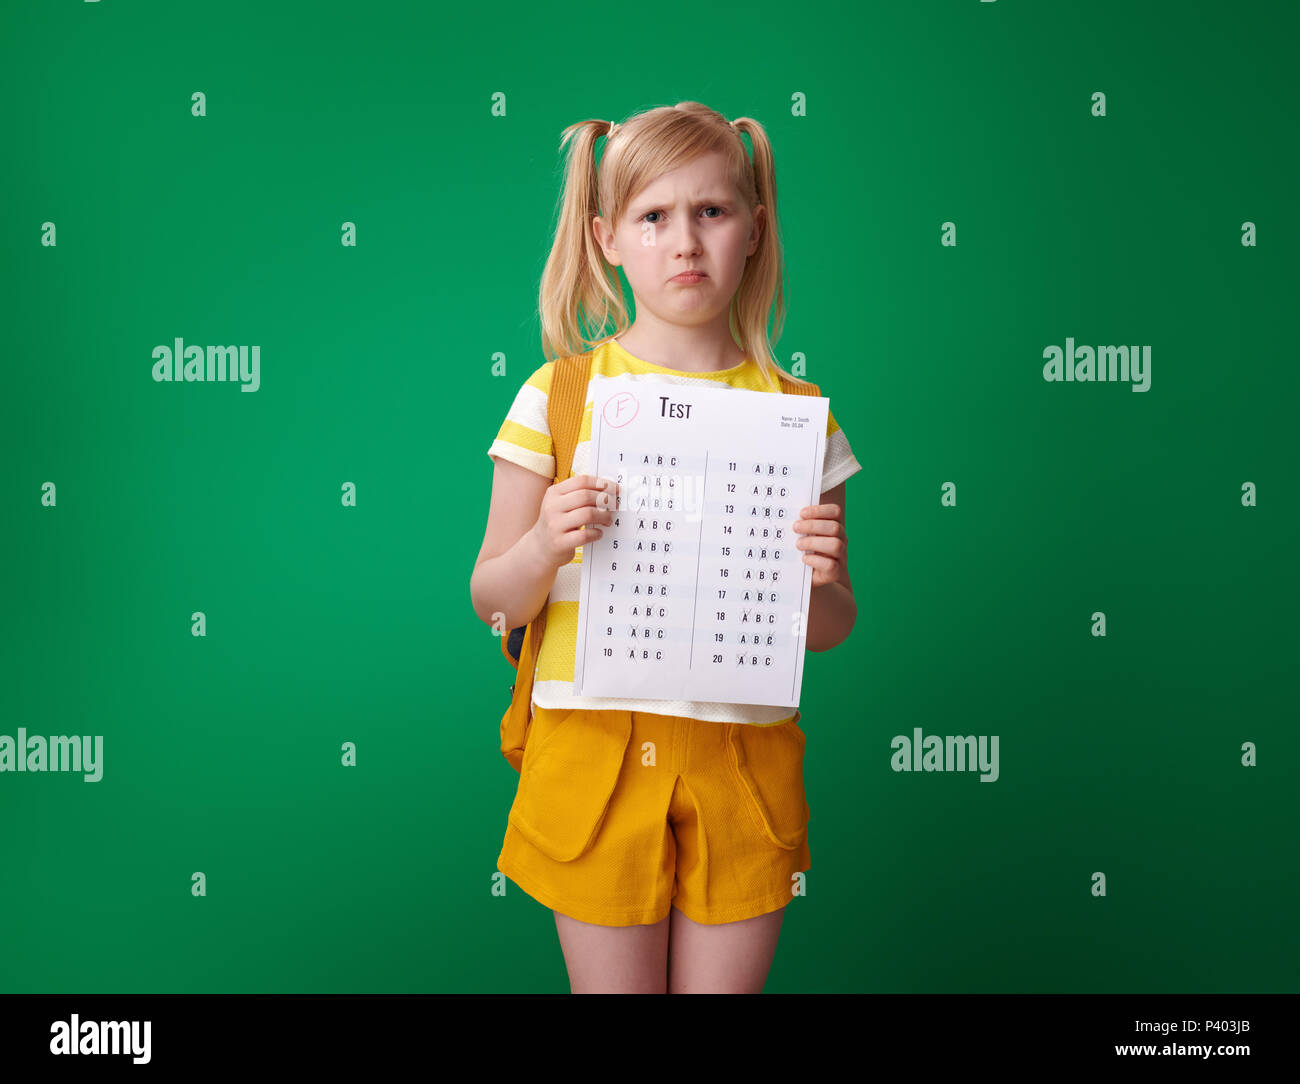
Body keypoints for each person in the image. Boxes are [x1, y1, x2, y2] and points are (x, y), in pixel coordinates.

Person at [470, 102, 862, 993]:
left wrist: (821, 581)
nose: (685, 242)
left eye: (712, 213)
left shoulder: (799, 416)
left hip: (741, 772)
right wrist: (542, 545)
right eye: (654, 217)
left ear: (755, 232)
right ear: (608, 238)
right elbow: (492, 597)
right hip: (593, 762)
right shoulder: (557, 396)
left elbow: (832, 628)